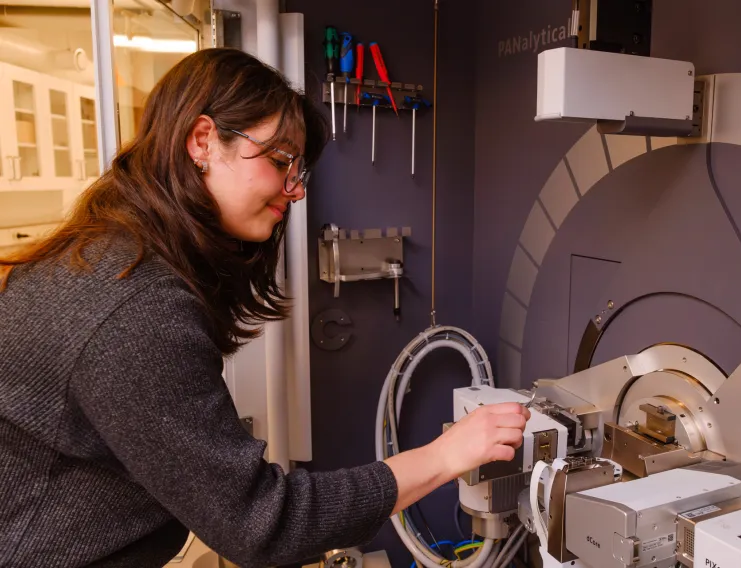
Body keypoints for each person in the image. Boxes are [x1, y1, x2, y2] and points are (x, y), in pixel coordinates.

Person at [0, 48, 530, 568]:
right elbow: (262, 526)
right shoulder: (132, 304)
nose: (295, 190)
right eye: (280, 161)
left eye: (298, 169)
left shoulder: (111, 256)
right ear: (203, 140)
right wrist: (445, 455)